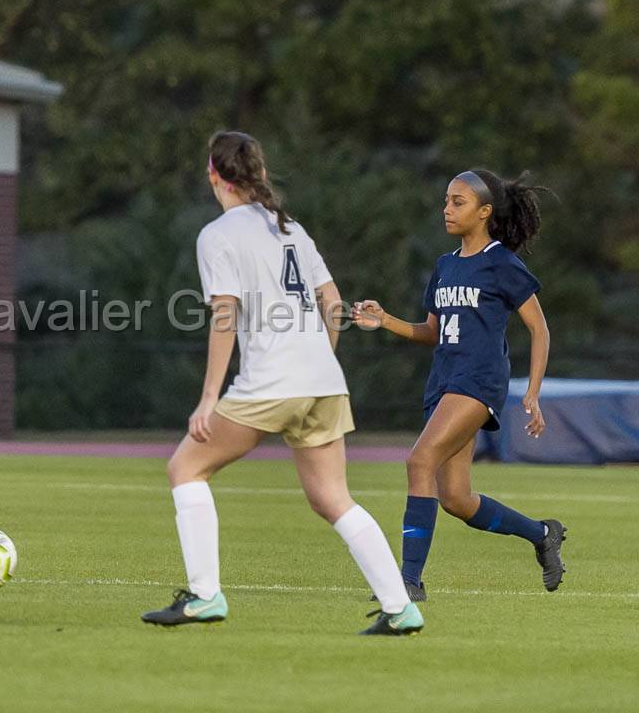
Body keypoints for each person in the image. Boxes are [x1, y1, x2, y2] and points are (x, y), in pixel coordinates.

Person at [141, 132, 423, 636]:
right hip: (323, 381)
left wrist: (209, 398)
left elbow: (224, 317)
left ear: (214, 175)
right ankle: (401, 608)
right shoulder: (291, 228)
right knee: (332, 497)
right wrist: (319, 359)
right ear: (260, 174)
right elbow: (333, 304)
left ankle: (205, 596)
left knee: (185, 467)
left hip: (272, 381)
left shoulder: (218, 235)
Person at [352, 169, 564, 601]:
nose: (447, 209)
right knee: (456, 498)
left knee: (419, 462)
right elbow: (432, 331)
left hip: (479, 381)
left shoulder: (502, 262)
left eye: (458, 202)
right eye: (447, 200)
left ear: (485, 212)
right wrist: (386, 320)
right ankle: (543, 534)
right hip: (444, 381)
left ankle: (408, 581)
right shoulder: (445, 266)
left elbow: (539, 329)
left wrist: (533, 392)